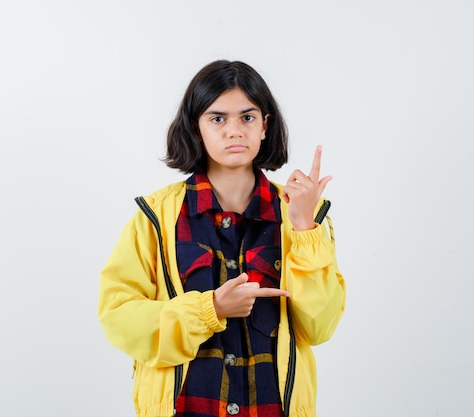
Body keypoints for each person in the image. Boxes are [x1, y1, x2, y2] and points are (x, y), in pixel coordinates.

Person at [98, 60, 346, 417]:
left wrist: (305, 227)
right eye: (217, 118)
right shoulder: (155, 217)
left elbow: (318, 327)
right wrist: (209, 310)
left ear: (265, 126)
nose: (234, 130)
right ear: (196, 129)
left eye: (247, 117)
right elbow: (118, 317)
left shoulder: (303, 215)